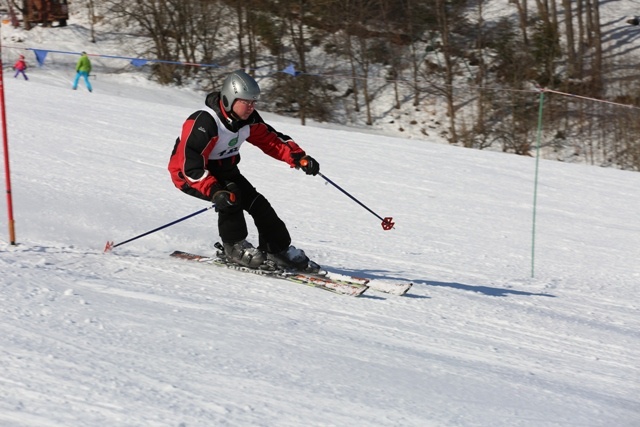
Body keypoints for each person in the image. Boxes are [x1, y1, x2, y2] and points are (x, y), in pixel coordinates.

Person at [168, 69, 320, 271]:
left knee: (259, 205)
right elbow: (191, 164)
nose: (251, 107)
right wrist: (214, 191)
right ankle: (234, 247)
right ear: (230, 99)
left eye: (254, 102)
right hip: (191, 175)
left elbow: (272, 141)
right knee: (232, 197)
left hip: (226, 171)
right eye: (246, 101)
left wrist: (299, 158)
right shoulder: (205, 122)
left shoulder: (248, 120)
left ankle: (277, 249)